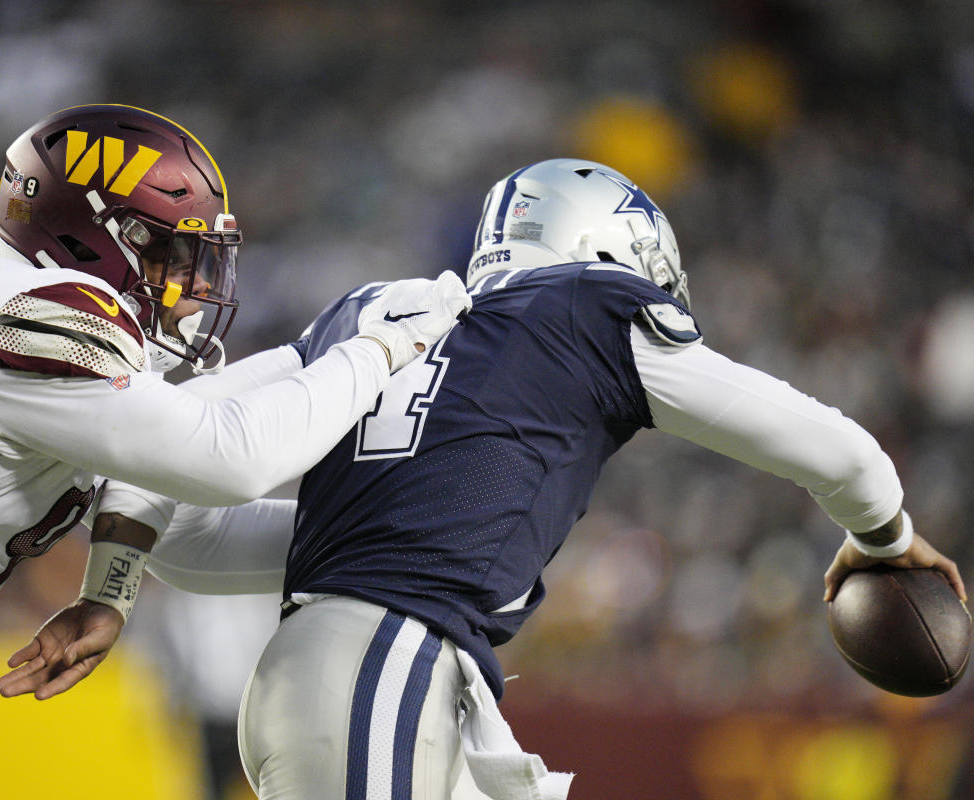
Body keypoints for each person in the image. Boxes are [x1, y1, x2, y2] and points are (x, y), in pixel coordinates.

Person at [0, 103, 471, 798]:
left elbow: (190, 531)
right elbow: (232, 457)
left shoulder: (5, 302)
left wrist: (394, 534)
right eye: (173, 254)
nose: (194, 290)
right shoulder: (37, 313)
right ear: (99, 236)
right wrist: (382, 347)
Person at [214, 159, 965, 799]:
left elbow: (202, 528)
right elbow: (844, 453)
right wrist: (884, 536)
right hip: (383, 665)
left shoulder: (384, 314)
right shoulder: (582, 308)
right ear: (608, 249)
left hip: (318, 670)